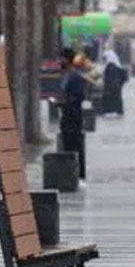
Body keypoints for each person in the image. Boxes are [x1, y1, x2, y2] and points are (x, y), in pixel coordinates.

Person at [58, 48, 87, 178]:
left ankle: (78, 173)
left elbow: (80, 96)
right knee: (67, 144)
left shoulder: (75, 76)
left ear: (67, 60)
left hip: (74, 116)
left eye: (62, 58)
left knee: (76, 145)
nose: (60, 61)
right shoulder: (66, 76)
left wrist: (66, 102)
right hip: (66, 115)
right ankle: (70, 172)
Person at [99, 48, 127, 116]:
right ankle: (118, 111)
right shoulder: (117, 65)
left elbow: (109, 78)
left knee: (109, 100)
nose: (104, 60)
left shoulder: (110, 66)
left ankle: (107, 111)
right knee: (117, 100)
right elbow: (124, 77)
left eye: (105, 58)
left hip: (111, 88)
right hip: (116, 88)